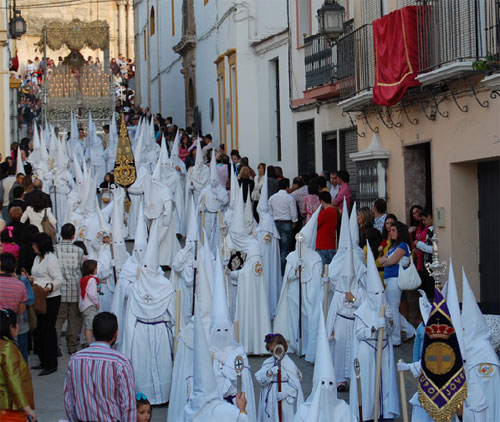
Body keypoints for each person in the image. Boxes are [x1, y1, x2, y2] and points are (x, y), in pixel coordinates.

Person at [349, 245, 400, 421]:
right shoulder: (362, 311)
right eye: (376, 293)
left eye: (381, 293)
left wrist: (389, 322)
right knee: (370, 385)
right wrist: (372, 328)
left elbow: (393, 332)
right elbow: (359, 334)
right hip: (369, 349)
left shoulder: (385, 308)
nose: (379, 296)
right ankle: (370, 414)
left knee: (386, 384)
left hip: (385, 349)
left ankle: (386, 413)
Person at [64, 312, 137, 421]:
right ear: (116, 334)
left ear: (93, 332)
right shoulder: (121, 362)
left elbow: (69, 398)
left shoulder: (75, 359)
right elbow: (128, 405)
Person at [274, 207, 324, 362]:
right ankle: (297, 345)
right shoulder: (292, 256)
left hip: (309, 293)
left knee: (308, 318)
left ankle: (308, 346)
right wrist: (296, 270)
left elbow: (316, 279)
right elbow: (288, 277)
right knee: (294, 318)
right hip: (295, 292)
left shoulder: (315, 258)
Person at [29, 232, 64, 375]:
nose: (32, 247)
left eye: (35, 244)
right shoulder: (38, 258)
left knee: (48, 330)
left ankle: (51, 363)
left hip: (50, 298)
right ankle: (43, 360)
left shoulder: (51, 259)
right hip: (39, 296)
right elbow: (37, 275)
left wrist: (49, 287)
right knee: (38, 329)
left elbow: (59, 279)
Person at [378, 221, 416, 346]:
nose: (390, 232)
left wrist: (386, 260)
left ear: (400, 232)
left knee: (393, 308)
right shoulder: (393, 246)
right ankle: (410, 331)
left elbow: (391, 261)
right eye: (390, 230)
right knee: (392, 308)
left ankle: (396, 338)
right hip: (390, 278)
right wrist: (386, 260)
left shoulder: (403, 246)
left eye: (393, 230)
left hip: (395, 278)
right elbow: (381, 259)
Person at [255, 334, 304, 422]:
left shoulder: (289, 363)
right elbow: (260, 379)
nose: (273, 353)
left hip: (284, 399)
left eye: (275, 350)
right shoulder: (267, 362)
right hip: (270, 398)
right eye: (271, 351)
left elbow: (296, 385)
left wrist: (287, 392)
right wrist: (268, 373)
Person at [0, 309, 36, 421]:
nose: (18, 327)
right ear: (11, 327)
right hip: (9, 407)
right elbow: (13, 379)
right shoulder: (7, 348)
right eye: (17, 324)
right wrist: (26, 407)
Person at [55, 223, 84, 355]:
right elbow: (81, 268)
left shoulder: (55, 249)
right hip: (74, 288)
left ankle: (56, 345)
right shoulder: (79, 251)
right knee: (74, 318)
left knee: (59, 318)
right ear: (73, 235)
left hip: (59, 289)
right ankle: (72, 346)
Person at [268, 178, 298, 274]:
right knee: (285, 248)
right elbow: (293, 212)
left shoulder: (272, 197)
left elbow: (270, 212)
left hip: (275, 223)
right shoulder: (290, 198)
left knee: (276, 247)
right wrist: (294, 222)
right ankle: (282, 271)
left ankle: (276, 270)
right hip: (286, 223)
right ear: (287, 187)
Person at [413, 207, 435, 300]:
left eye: (424, 219)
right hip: (426, 266)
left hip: (431, 266)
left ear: (430, 217)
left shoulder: (432, 231)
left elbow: (433, 249)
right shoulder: (429, 231)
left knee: (431, 292)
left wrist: (419, 244)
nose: (423, 222)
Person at [79, 259, 100, 345]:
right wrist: (96, 303)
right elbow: (92, 294)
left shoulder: (84, 279)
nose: (97, 269)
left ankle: (85, 341)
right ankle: (89, 344)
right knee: (90, 326)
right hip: (90, 305)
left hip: (84, 305)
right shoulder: (92, 280)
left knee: (87, 324)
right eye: (96, 268)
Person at [316, 191, 338, 265]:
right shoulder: (335, 211)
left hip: (322, 245)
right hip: (331, 244)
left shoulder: (324, 213)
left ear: (322, 201)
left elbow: (315, 224)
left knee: (324, 271)